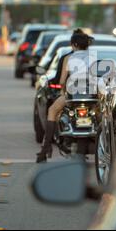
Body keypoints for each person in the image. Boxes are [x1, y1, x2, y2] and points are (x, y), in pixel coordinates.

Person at [36, 29, 95, 163]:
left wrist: (64, 91)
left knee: (52, 111)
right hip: (91, 96)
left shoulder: (69, 58)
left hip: (73, 95)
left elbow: (62, 80)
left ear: (74, 45)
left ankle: (45, 150)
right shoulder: (92, 57)